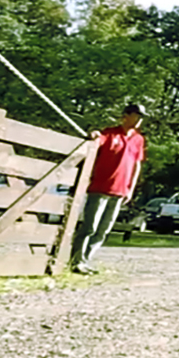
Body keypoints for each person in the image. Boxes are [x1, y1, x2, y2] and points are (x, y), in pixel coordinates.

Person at [69, 103, 146, 274]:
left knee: (103, 230)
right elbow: (99, 139)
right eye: (136, 115)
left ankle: (86, 260)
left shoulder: (138, 140)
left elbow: (136, 165)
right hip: (100, 188)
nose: (139, 120)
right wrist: (95, 134)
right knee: (90, 227)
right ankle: (76, 261)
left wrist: (130, 189)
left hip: (120, 192)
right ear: (126, 115)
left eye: (141, 117)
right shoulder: (111, 133)